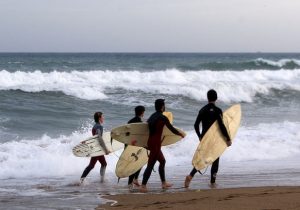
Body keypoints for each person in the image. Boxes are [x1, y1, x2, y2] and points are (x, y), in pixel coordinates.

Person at [184, 89, 232, 188]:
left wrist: (200, 137)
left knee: (202, 159)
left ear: (207, 98)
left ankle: (190, 175)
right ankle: (213, 182)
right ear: (216, 98)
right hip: (214, 140)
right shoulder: (218, 110)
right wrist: (227, 138)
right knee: (216, 159)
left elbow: (196, 125)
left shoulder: (202, 110)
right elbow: (221, 126)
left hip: (205, 138)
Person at [140, 99, 185, 193]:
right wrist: (180, 134)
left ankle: (163, 183)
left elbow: (145, 128)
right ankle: (143, 186)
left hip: (151, 141)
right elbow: (171, 128)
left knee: (162, 161)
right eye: (164, 105)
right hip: (156, 143)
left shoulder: (152, 116)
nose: (165, 107)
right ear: (162, 107)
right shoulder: (162, 117)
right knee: (150, 164)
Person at [80, 112, 109, 184]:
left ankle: (102, 180)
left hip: (96, 148)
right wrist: (105, 149)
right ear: (99, 118)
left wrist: (87, 141)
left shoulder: (95, 126)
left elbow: (94, 137)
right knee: (91, 165)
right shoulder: (99, 127)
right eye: (102, 117)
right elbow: (99, 138)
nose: (103, 118)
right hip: (97, 149)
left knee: (104, 163)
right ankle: (81, 180)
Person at [126, 105, 146, 189]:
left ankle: (134, 180)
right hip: (136, 145)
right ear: (142, 113)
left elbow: (126, 134)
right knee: (137, 163)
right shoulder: (140, 122)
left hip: (129, 144)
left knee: (135, 163)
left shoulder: (130, 121)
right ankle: (131, 182)